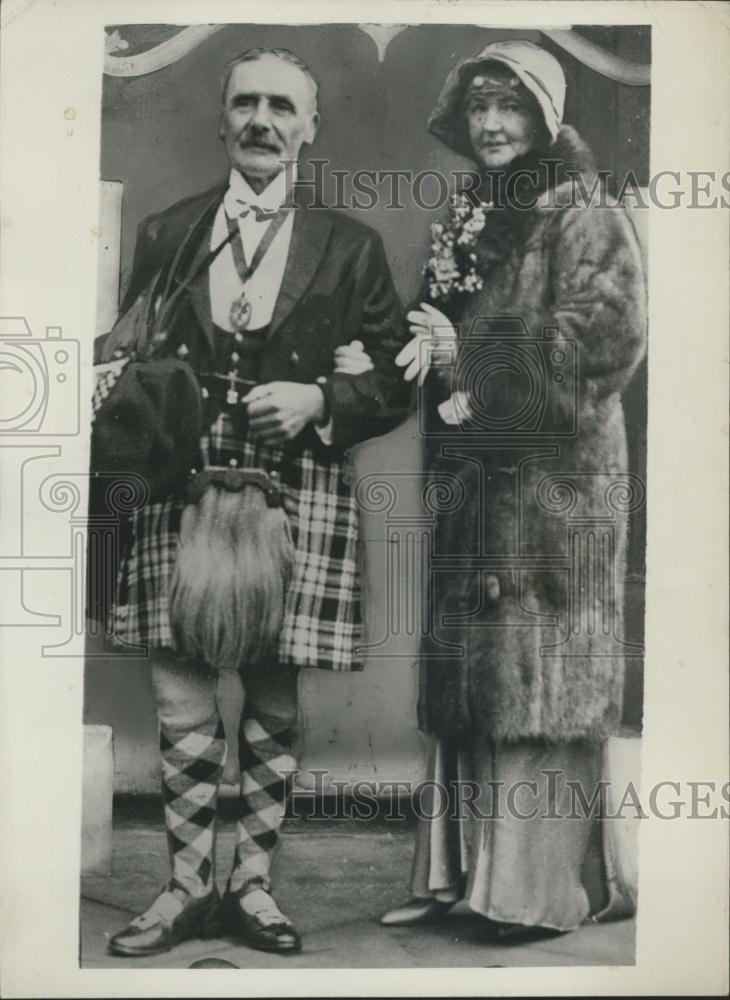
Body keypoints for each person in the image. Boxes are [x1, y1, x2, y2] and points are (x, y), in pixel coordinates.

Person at [96, 47, 407, 957]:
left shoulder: (350, 246)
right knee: (180, 691)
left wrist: (325, 401)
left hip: (296, 482)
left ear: (312, 126)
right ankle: (188, 884)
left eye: (281, 107)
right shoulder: (168, 232)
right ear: (221, 120)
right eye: (245, 104)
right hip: (179, 480)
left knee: (272, 690)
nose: (261, 121)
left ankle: (255, 885)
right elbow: (130, 352)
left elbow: (395, 379)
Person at [377, 40, 647, 937]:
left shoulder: (585, 213)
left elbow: (603, 344)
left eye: (512, 108)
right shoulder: (468, 213)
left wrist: (473, 357)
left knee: (540, 680)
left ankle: (532, 892)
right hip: (477, 487)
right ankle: (460, 878)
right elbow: (440, 340)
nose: (492, 124)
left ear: (544, 119)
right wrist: (407, 358)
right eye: (481, 106)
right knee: (474, 680)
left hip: (555, 497)